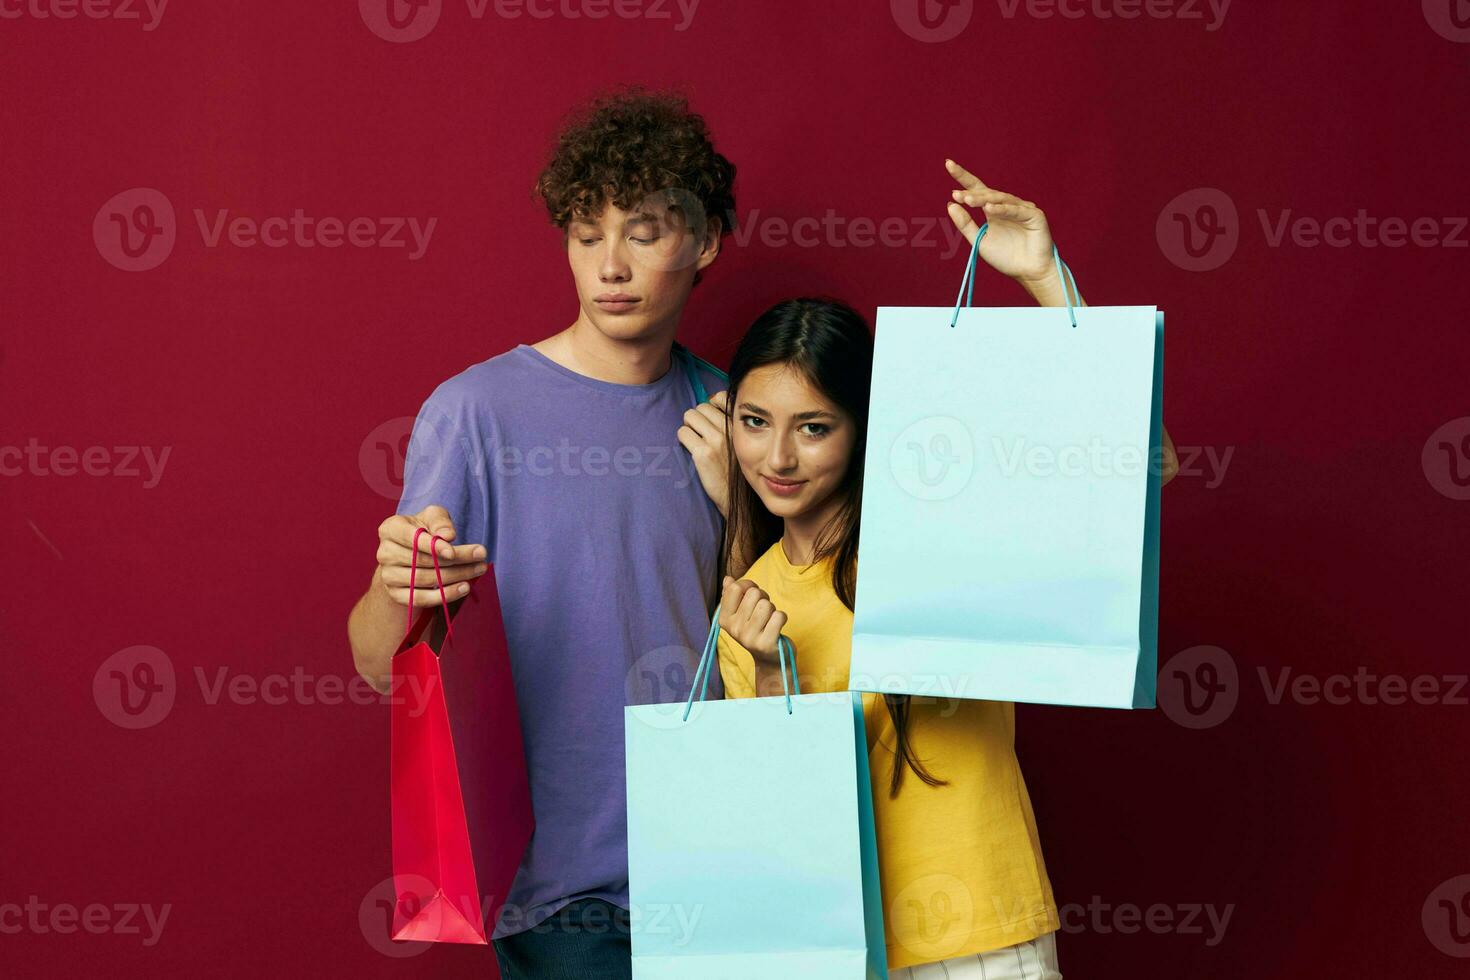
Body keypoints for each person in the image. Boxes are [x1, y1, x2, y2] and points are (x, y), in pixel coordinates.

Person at [713, 167, 1176, 979]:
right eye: (755, 423)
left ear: (863, 429)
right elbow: (789, 815)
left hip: (982, 939)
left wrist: (1044, 276)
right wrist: (762, 666)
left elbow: (1140, 470)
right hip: (838, 952)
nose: (777, 458)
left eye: (813, 428)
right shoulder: (749, 600)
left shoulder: (940, 533)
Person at [346, 88, 741, 979]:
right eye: (585, 233)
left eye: (642, 232)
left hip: (727, 868)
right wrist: (397, 586)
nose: (610, 265)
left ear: (705, 241)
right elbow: (381, 662)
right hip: (563, 896)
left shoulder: (738, 417)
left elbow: (801, 631)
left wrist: (743, 511)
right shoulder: (475, 412)